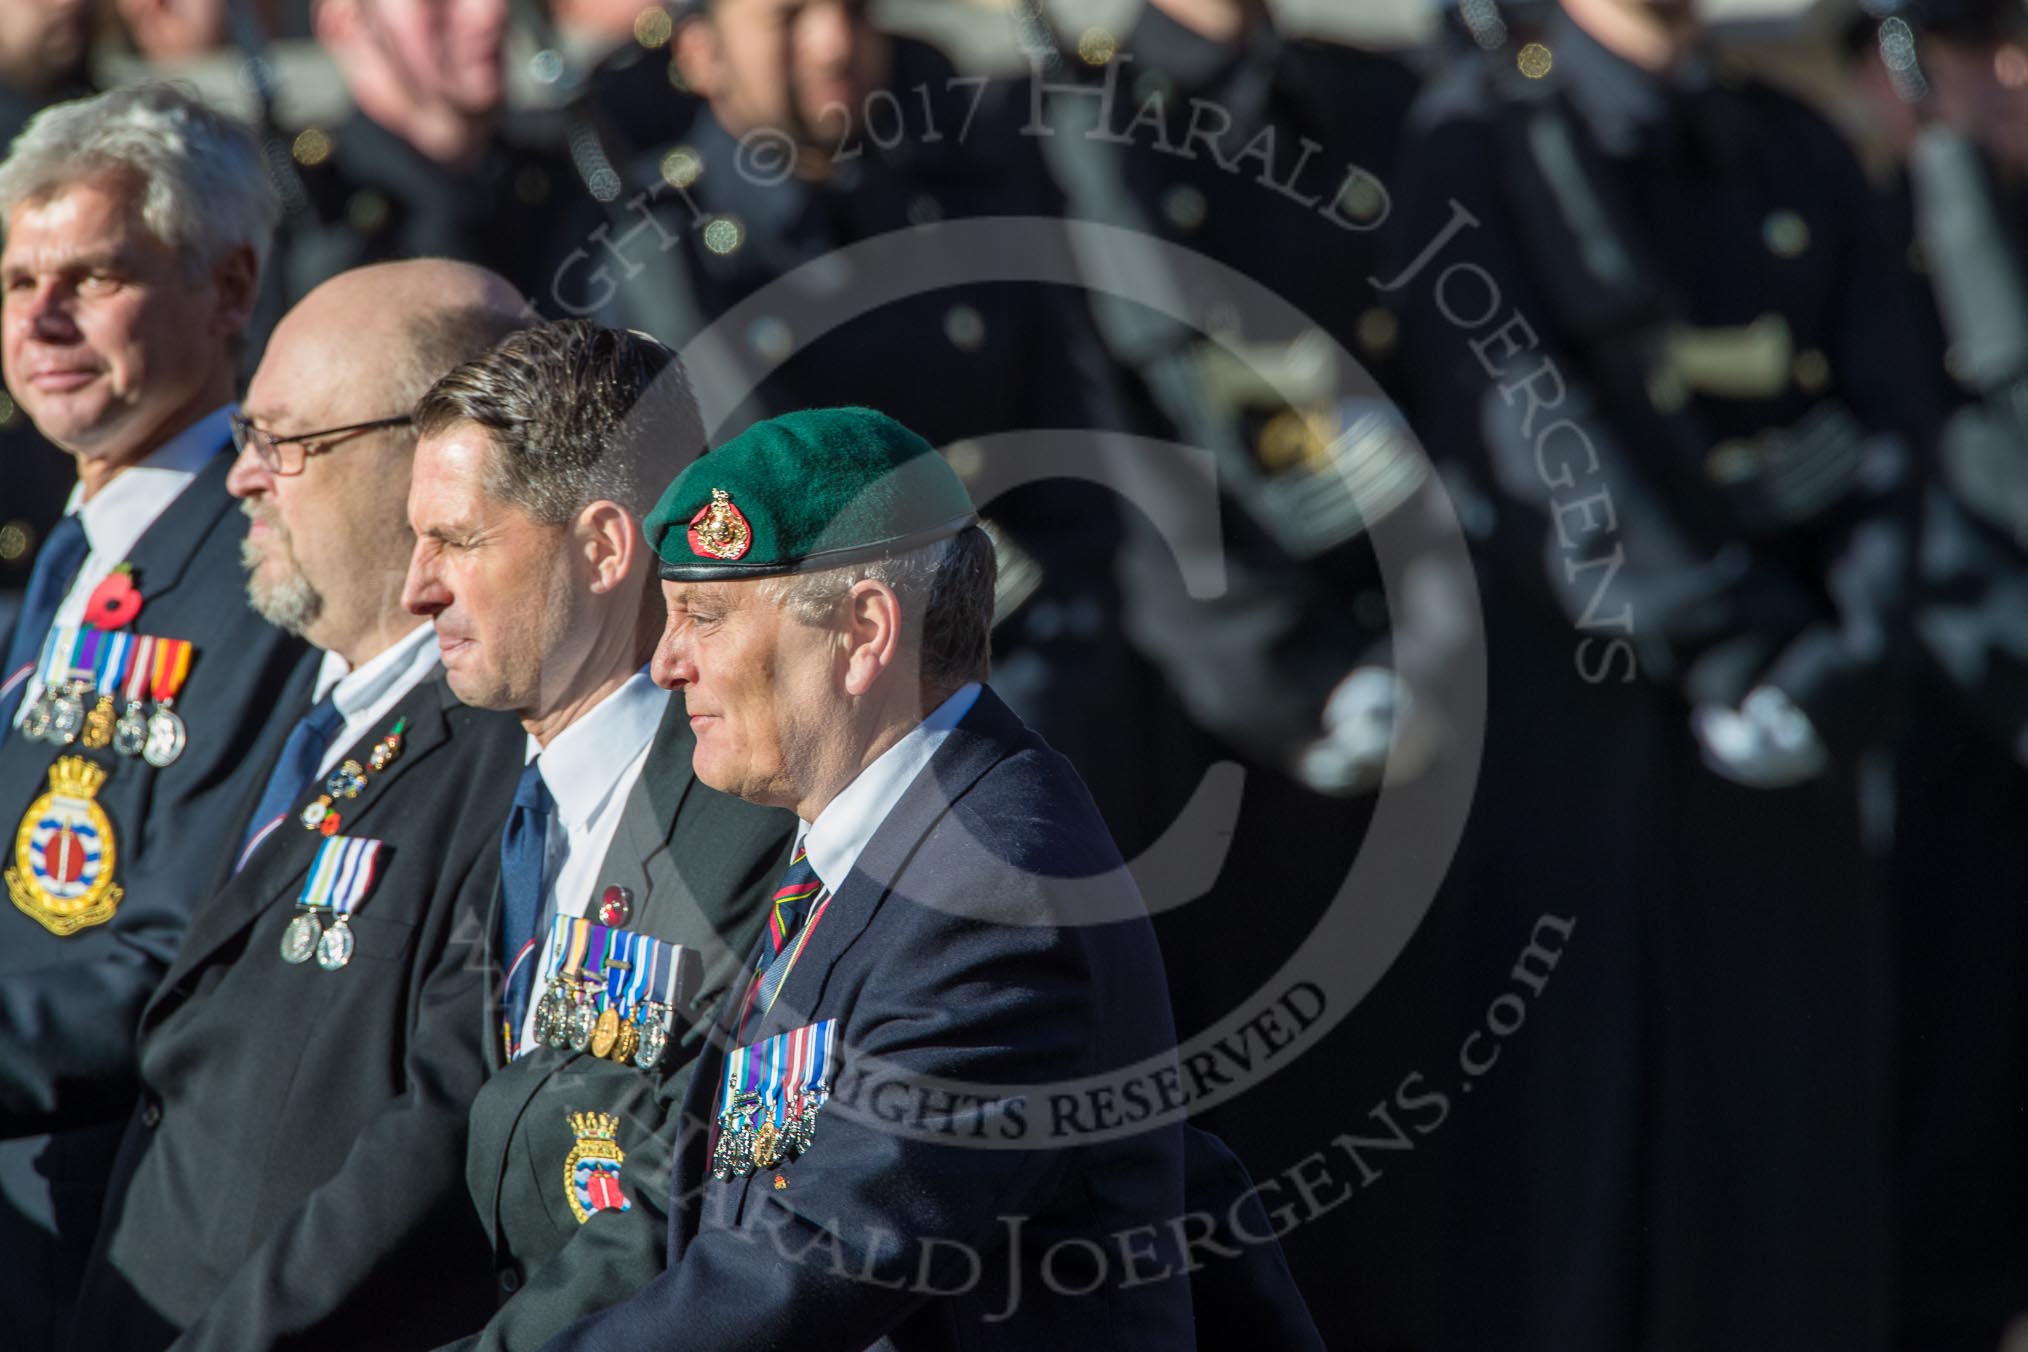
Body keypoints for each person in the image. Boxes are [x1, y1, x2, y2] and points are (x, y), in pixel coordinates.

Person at [1388, 0, 1940, 1346]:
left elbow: (1894, 424)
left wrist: (1842, 660)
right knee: (1578, 1207)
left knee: (1783, 1187)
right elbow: (1538, 446)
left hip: (1787, 748)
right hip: (1582, 756)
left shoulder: (1792, 146)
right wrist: (1742, 638)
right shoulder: (1477, 140)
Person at [532, 406, 1192, 1351]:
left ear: (865, 630)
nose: (667, 663)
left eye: (704, 617)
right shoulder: (868, 845)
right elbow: (695, 1190)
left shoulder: (992, 891)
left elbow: (810, 1265)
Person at [65, 259, 531, 1351]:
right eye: (244, 438)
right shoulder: (300, 696)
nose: (244, 478)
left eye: (285, 443)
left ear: (432, 457)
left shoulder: (511, 745)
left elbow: (438, 1128)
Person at [596, 0, 1187, 855]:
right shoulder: (656, 262)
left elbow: (1075, 482)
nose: (835, 43)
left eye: (854, 13)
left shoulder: (955, 207)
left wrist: (1033, 692)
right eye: (790, 18)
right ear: (701, 51)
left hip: (1023, 703)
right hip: (786, 772)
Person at [398, 320, 793, 1350]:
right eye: (416, 539)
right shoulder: (486, 785)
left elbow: (679, 1203)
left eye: (459, 539)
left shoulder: (750, 813)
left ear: (607, 546)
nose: (417, 586)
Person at [0, 84, 307, 1350]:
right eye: (17, 280)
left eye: (94, 275)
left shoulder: (263, 568)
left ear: (229, 289)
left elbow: (181, 955)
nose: (42, 318)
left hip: (101, 1231)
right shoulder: (73, 543)